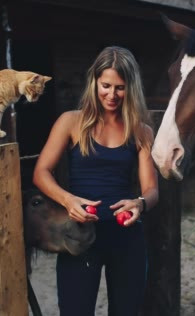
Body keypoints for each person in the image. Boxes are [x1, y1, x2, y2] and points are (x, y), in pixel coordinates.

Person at [33, 46, 158, 316]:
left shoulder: (142, 131)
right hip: (79, 235)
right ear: (94, 82)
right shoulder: (71, 122)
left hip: (126, 238)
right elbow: (41, 172)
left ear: (131, 88)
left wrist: (139, 203)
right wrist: (68, 200)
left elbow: (151, 189)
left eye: (120, 88)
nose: (111, 95)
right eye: (106, 85)